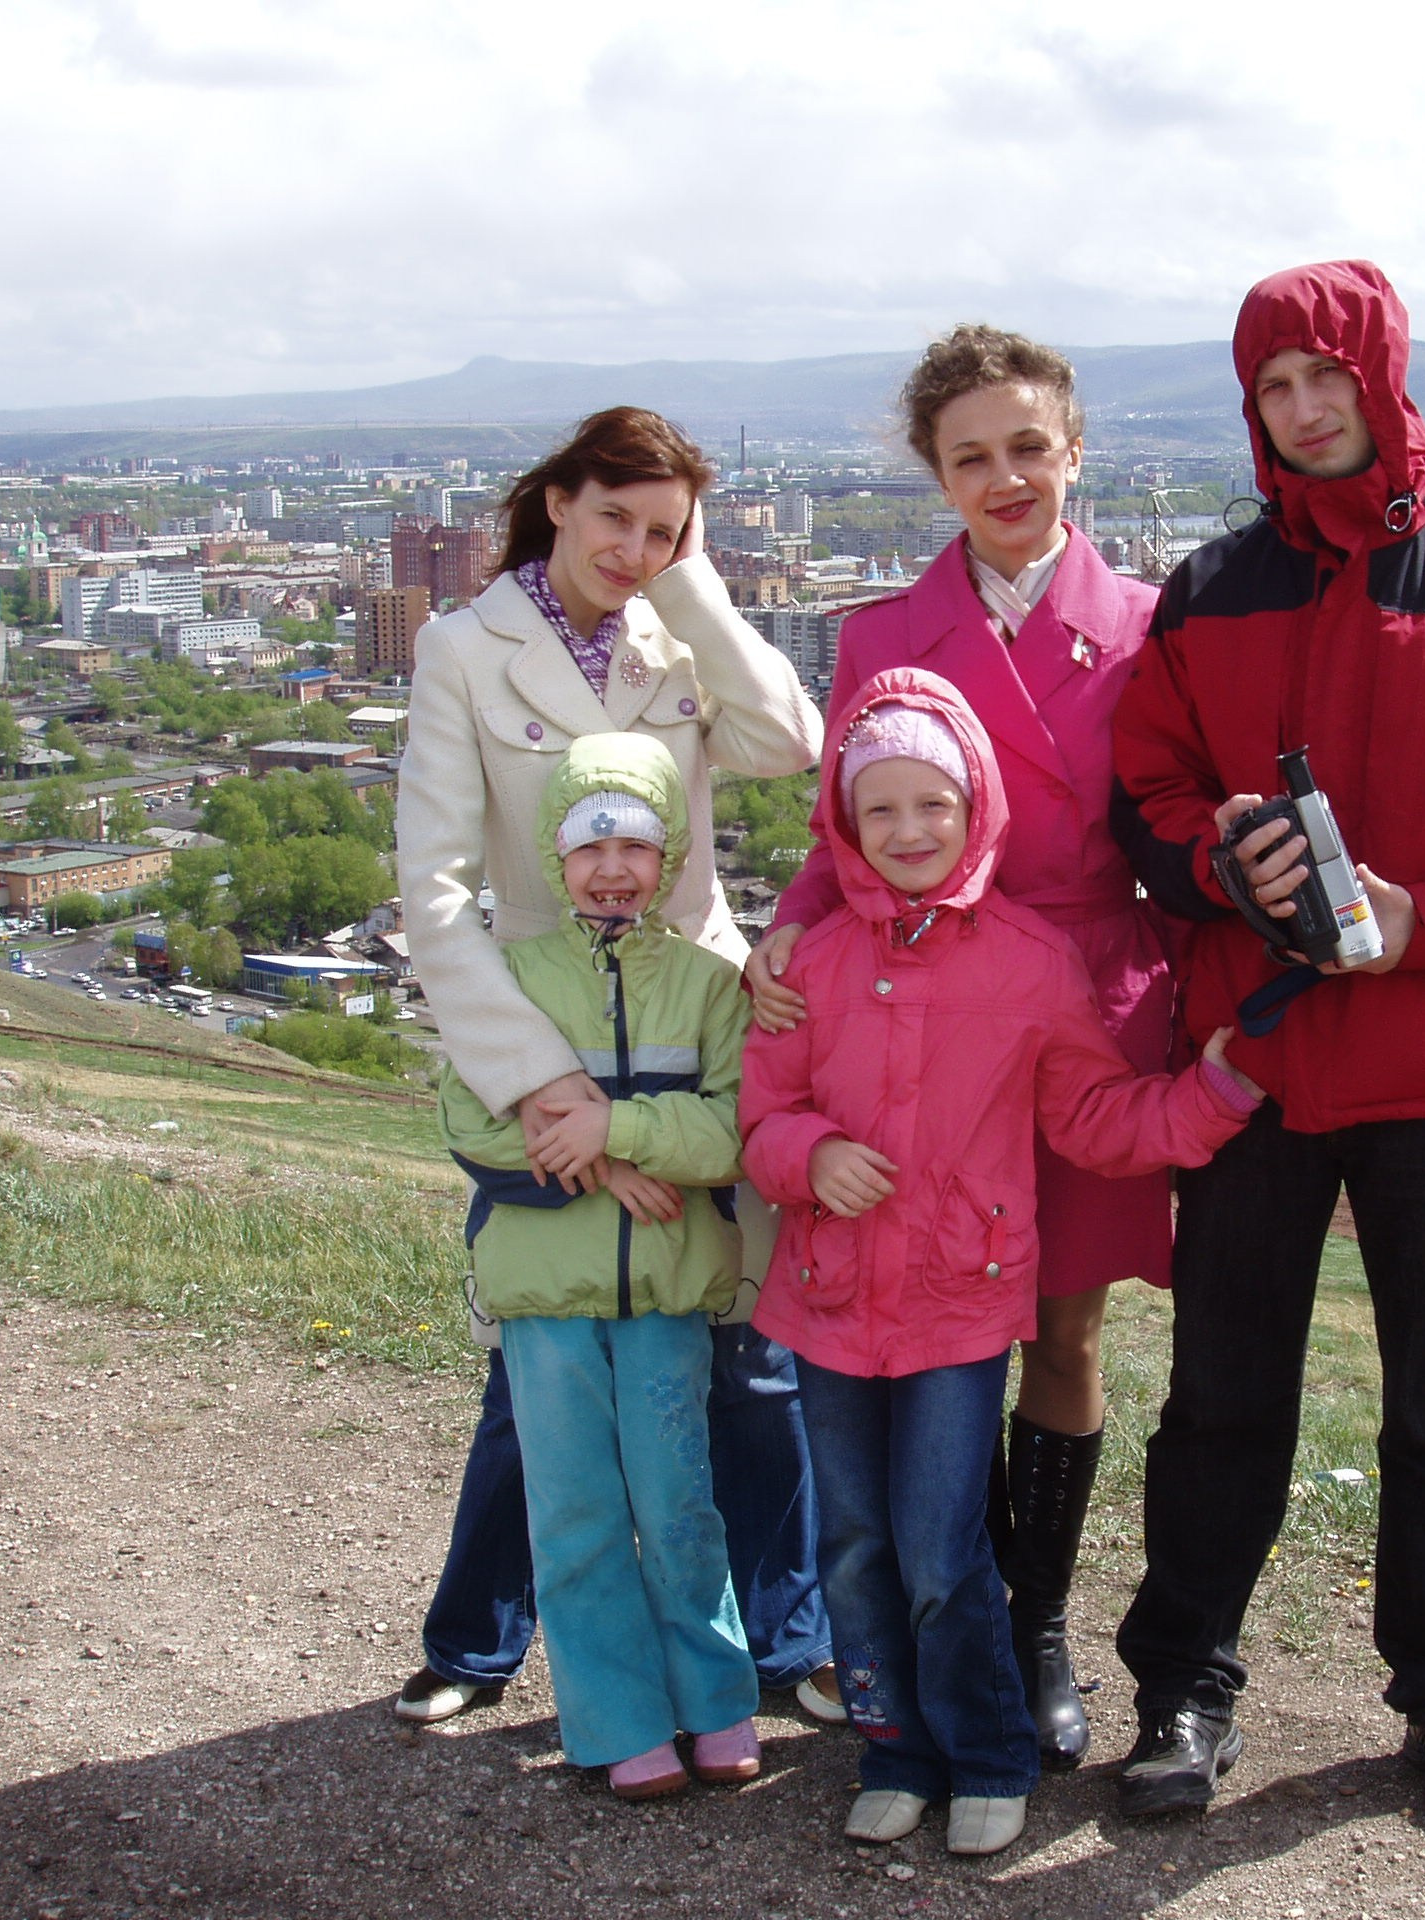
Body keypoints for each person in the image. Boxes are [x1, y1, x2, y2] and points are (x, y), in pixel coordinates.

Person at [1106, 261, 1425, 1817]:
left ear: (1384, 377)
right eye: (1274, 386)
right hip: (1259, 1063)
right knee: (1221, 1393)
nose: (1305, 407)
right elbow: (1146, 793)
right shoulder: (1209, 591)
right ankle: (1184, 1688)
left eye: (1327, 376)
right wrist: (1221, 865)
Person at [738, 669, 1263, 1857]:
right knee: (854, 1550)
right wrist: (807, 1156)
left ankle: (984, 1750)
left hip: (958, 1310)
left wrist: (1209, 1098)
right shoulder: (812, 964)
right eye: (880, 811)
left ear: (978, 809)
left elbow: (1091, 1118)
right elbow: (761, 1118)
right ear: (842, 824)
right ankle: (894, 1747)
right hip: (825, 1305)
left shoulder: (1028, 962)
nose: (910, 832)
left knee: (939, 1547)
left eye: (935, 804)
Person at [745, 326, 1165, 1768]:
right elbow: (844, 824)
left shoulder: (1156, 622)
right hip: (915, 1009)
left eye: (1027, 447)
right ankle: (940, 1629)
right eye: (969, 455)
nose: (1004, 478)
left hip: (1081, 1003)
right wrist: (787, 933)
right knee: (926, 1323)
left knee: (1060, 1324)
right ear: (935, 472)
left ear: (1076, 450)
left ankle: (1028, 1621)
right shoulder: (876, 634)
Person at [395, 406, 840, 1729]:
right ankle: (474, 1644)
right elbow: (434, 891)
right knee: (543, 1360)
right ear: (556, 503)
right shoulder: (464, 650)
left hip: (694, 1016)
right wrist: (540, 1086)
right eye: (614, 520)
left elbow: (789, 741)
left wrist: (692, 581)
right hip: (546, 1019)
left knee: (747, 1353)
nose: (632, 550)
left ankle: (782, 1641)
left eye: (663, 528)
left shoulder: (675, 636)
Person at [438, 731, 761, 1797]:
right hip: (545, 1297)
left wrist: (611, 1130)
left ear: (668, 859)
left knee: (680, 1504)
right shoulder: (511, 980)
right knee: (573, 1512)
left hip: (668, 1289)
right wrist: (605, 1166)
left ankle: (713, 1704)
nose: (612, 867)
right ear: (553, 854)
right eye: (589, 844)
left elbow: (731, 1133)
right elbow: (469, 1121)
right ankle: (615, 1720)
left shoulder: (710, 986)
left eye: (635, 844)